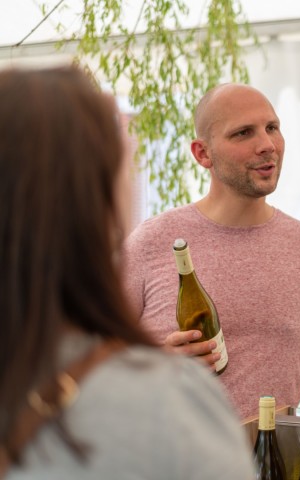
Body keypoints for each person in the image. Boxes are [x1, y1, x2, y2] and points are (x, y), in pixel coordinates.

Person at [0, 66, 254, 479]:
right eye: (123, 161)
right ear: (95, 202)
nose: (265, 144)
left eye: (273, 127)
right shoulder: (166, 403)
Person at [123, 82, 300, 423]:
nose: (267, 145)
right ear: (202, 153)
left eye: (272, 128)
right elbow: (88, 364)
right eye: (243, 133)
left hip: (275, 453)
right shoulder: (151, 242)